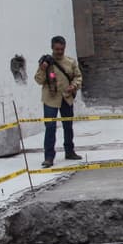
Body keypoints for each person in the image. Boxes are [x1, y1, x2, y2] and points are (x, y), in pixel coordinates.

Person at [34, 36, 83, 167]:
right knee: (50, 127)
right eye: (57, 49)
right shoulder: (46, 62)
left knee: (68, 126)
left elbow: (78, 77)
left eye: (62, 49)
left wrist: (73, 86)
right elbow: (39, 80)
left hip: (66, 97)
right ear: (52, 48)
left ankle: (70, 151)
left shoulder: (70, 62)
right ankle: (49, 157)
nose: (59, 52)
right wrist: (43, 69)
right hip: (50, 99)